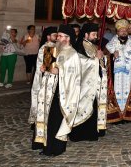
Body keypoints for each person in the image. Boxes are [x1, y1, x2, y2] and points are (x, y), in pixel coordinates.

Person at [32, 25, 83, 156]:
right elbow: (48, 67)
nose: (58, 39)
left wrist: (59, 71)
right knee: (48, 120)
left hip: (62, 94)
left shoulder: (72, 54)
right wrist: (44, 69)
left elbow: (74, 75)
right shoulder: (53, 50)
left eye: (61, 36)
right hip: (49, 92)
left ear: (68, 38)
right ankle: (46, 146)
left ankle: (56, 149)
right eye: (58, 36)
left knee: (56, 121)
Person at [70, 23, 108, 141]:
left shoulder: (93, 46)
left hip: (95, 84)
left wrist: (102, 57)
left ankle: (93, 132)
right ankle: (79, 134)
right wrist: (95, 59)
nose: (96, 36)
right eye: (93, 34)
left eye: (96, 34)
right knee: (83, 107)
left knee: (94, 107)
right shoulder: (79, 46)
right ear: (86, 34)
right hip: (84, 85)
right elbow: (80, 62)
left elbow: (100, 61)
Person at [106, 19, 131, 122]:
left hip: (128, 73)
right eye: (121, 31)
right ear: (117, 32)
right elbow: (107, 57)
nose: (123, 32)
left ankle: (127, 113)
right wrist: (111, 56)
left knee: (127, 91)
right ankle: (117, 114)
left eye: (125, 30)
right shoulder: (111, 43)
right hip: (116, 73)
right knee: (117, 91)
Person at [29, 26, 57, 131]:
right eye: (55, 35)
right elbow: (49, 67)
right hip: (44, 79)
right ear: (48, 36)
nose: (57, 37)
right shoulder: (48, 47)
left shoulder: (53, 46)